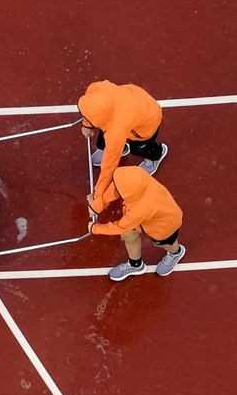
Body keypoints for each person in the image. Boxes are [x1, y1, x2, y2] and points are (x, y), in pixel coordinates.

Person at [78, 80, 169, 217]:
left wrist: (97, 198)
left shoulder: (116, 130)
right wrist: (88, 124)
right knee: (105, 135)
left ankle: (156, 154)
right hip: (132, 102)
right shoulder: (96, 90)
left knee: (138, 146)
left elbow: (109, 166)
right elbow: (91, 109)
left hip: (147, 119)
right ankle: (120, 147)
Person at [87, 167, 185, 281]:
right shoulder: (137, 177)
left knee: (162, 243)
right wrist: (97, 206)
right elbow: (117, 188)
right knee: (127, 234)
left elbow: (120, 226)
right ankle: (135, 264)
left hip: (165, 225)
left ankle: (176, 252)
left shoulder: (139, 210)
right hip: (148, 217)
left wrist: (95, 228)